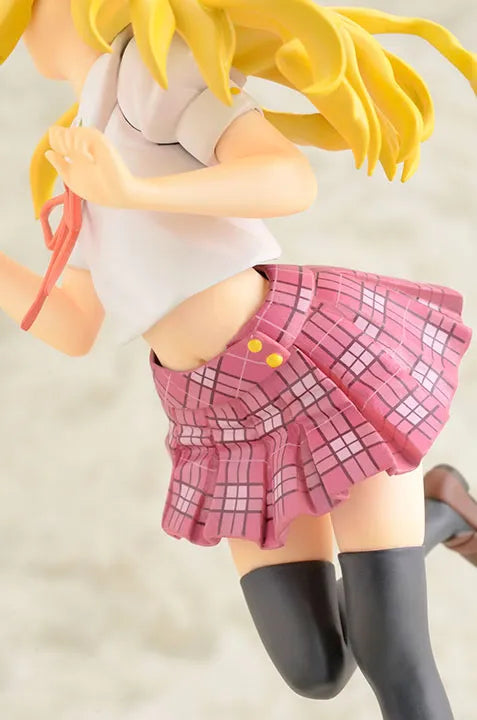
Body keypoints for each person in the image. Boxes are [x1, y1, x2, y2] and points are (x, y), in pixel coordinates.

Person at [1, 2, 476, 718]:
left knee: (394, 655)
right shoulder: (74, 149)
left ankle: (428, 512)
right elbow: (75, 325)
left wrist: (134, 191)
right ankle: (439, 508)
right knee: (316, 669)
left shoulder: (153, 77)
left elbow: (286, 179)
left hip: (306, 365)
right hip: (215, 414)